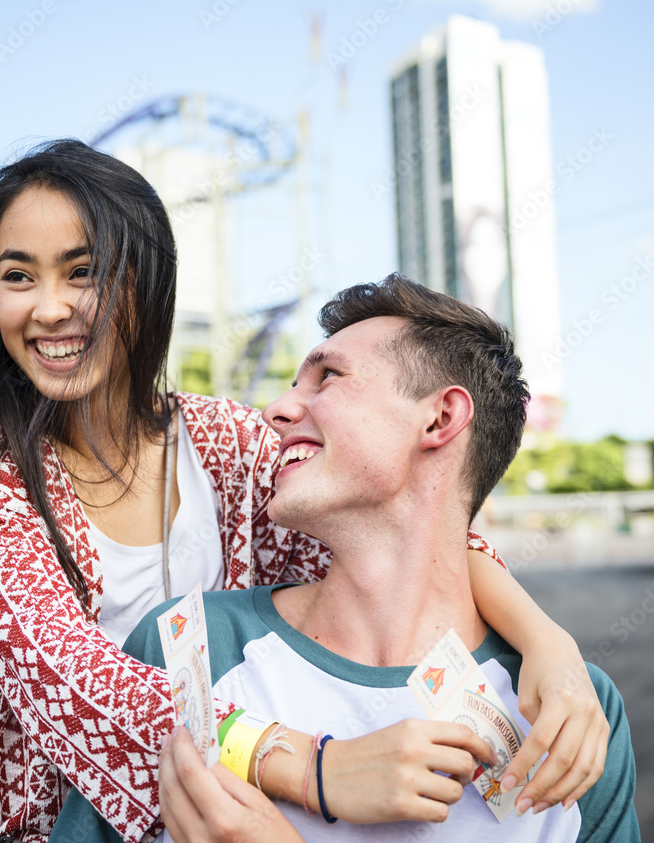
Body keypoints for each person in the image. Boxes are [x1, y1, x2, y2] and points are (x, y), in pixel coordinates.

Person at [0, 141, 609, 843]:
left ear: (145, 281)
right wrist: (319, 766)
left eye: (81, 272)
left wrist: (550, 644)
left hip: (239, 819)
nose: (48, 307)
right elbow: (80, 687)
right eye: (18, 276)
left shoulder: (223, 439)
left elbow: (420, 533)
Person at [51, 275, 638, 842]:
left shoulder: (569, 713)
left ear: (439, 418)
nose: (277, 410)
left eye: (327, 377)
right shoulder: (187, 646)